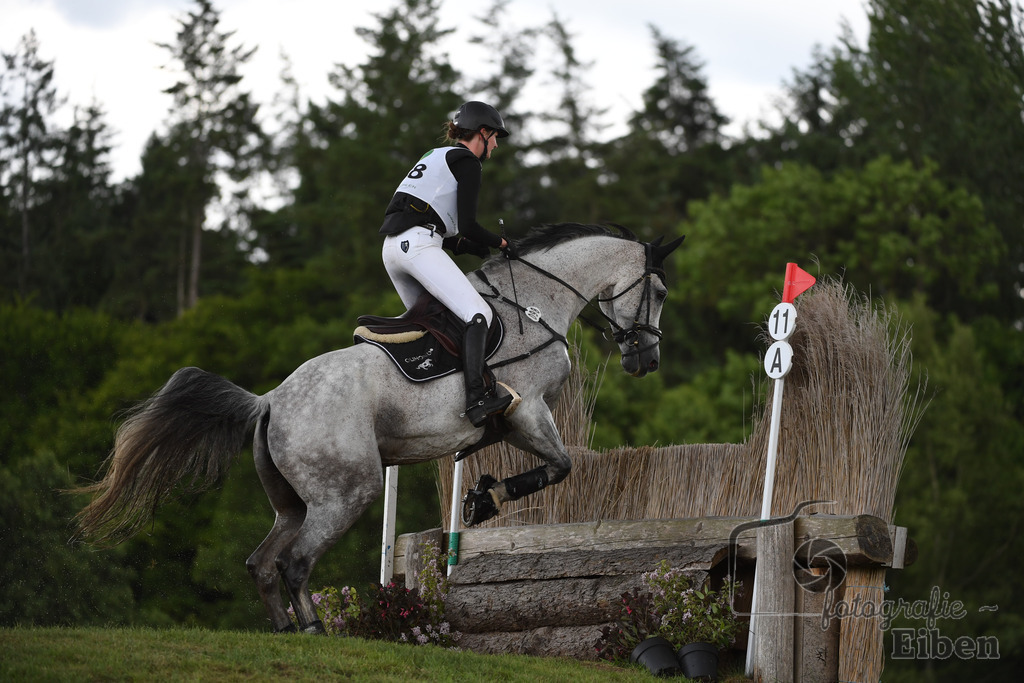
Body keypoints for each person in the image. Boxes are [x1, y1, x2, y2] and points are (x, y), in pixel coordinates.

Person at [379, 101, 517, 427]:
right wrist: (501, 243)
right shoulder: (468, 162)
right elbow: (469, 224)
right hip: (418, 247)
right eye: (494, 136)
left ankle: (429, 399)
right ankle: (477, 401)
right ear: (482, 133)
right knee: (478, 314)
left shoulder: (433, 157)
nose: (495, 145)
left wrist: (469, 246)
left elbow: (441, 225)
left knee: (437, 327)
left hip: (393, 249)